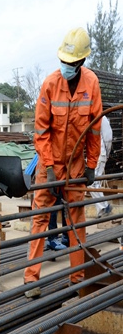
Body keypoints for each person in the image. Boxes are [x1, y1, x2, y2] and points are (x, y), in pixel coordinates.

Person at [24, 27, 102, 297]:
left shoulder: (91, 84)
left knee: (76, 222)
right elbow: (41, 131)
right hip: (49, 165)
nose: (66, 67)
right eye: (64, 62)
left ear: (81, 62)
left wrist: (91, 165)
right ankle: (31, 281)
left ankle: (77, 280)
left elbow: (94, 129)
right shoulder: (49, 84)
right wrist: (47, 166)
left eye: (71, 63)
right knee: (39, 218)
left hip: (76, 166)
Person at [89, 115, 113, 217]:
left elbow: (108, 139)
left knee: (93, 183)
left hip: (99, 155)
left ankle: (104, 207)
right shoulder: (87, 117)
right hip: (93, 156)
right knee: (93, 183)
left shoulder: (102, 118)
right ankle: (102, 210)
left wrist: (106, 154)